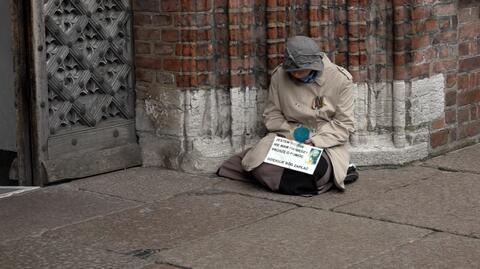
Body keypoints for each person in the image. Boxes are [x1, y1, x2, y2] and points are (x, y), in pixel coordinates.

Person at [217, 36, 358, 195]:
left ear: (315, 65)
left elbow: (344, 124)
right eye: (293, 71)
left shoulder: (340, 79)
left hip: (323, 142)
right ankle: (301, 182)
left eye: (301, 70)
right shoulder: (279, 75)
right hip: (287, 136)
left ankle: (321, 176)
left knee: (315, 170)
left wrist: (314, 141)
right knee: (259, 165)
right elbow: (272, 115)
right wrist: (294, 136)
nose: (296, 75)